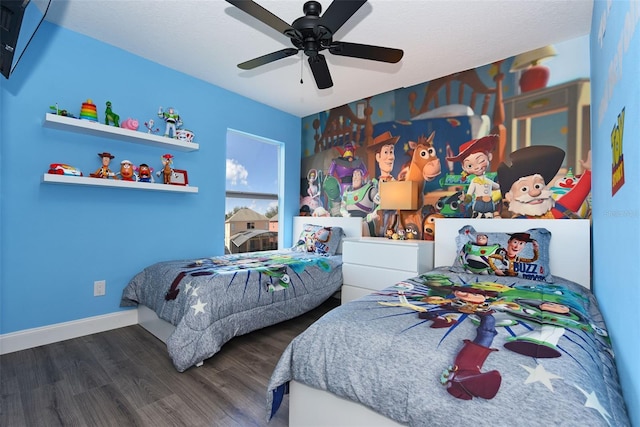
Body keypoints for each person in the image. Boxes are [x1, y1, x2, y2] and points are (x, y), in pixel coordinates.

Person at [497, 145, 592, 218]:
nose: (535, 192)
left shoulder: (554, 213)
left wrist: (589, 172)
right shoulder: (516, 224)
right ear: (509, 197)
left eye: (537, 186)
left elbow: (575, 198)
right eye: (524, 189)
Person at [446, 135, 500, 218]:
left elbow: (499, 188)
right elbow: (469, 196)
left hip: (489, 204)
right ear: (464, 167)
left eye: (481, 161)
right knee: (477, 218)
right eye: (470, 166)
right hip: (479, 204)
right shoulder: (474, 182)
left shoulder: (489, 182)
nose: (477, 167)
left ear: (489, 157)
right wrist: (465, 198)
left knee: (490, 218)